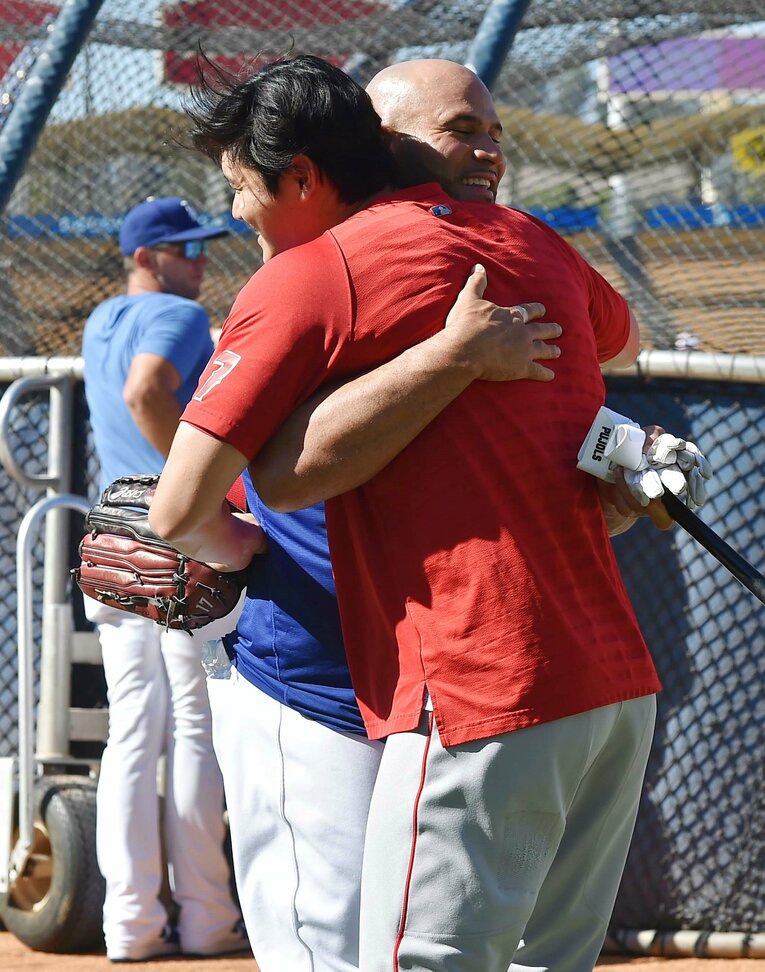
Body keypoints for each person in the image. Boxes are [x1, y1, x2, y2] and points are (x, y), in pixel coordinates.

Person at [150, 57, 664, 972]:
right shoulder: (535, 246)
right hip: (604, 683)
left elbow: (202, 499)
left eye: (239, 187)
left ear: (307, 173)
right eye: (464, 129)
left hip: (457, 683)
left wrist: (230, 554)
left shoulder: (321, 273)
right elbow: (620, 338)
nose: (488, 150)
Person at [81, 196, 248, 963]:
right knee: (191, 728)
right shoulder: (179, 317)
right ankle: (208, 922)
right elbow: (146, 393)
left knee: (132, 735)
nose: (199, 262)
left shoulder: (98, 319)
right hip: (172, 531)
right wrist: (197, 487)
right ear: (147, 257)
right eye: (184, 250)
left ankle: (131, 926)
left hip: (110, 535)